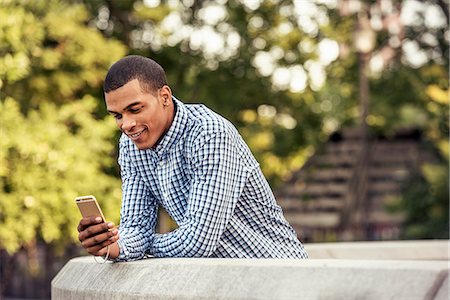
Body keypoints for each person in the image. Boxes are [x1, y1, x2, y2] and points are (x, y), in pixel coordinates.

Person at [77, 55, 308, 260]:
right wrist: (113, 246)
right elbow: (135, 226)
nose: (126, 125)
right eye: (117, 115)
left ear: (165, 97)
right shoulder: (130, 146)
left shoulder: (209, 134)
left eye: (135, 109)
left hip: (282, 274)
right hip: (228, 280)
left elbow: (198, 242)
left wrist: (143, 244)